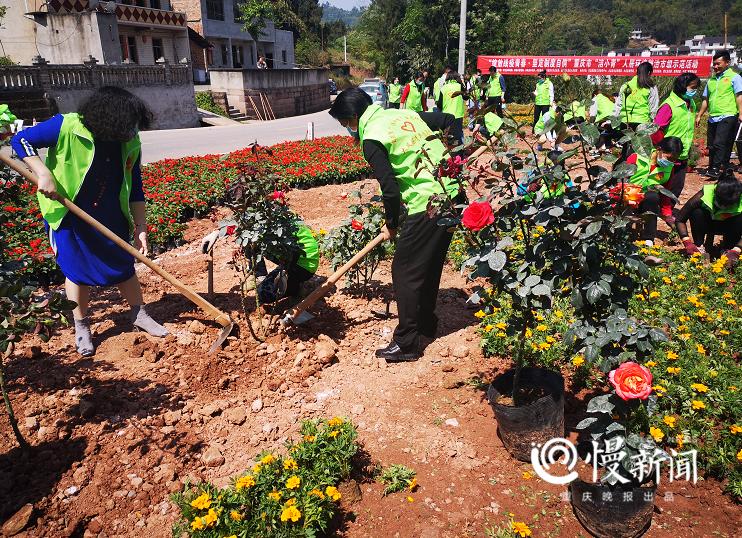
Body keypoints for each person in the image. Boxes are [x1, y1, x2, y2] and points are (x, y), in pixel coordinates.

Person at [10, 87, 168, 357]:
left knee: (122, 264)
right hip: (69, 214)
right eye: (128, 124)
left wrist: (141, 227)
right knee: (75, 271)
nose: (132, 131)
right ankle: (81, 326)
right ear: (111, 118)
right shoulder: (67, 126)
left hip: (110, 212)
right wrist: (43, 173)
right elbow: (20, 141)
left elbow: (136, 186)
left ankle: (139, 314)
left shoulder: (128, 140)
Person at [328, 88, 466, 362]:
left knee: (404, 270)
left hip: (428, 203)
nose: (347, 129)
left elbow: (390, 191)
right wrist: (454, 158)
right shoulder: (402, 113)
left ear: (355, 116)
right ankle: (426, 324)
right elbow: (449, 119)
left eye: (345, 123)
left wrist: (391, 223)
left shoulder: (371, 138)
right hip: (453, 194)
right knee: (429, 263)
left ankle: (406, 343)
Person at [650, 72, 702, 223]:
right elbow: (657, 130)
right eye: (692, 88)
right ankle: (658, 210)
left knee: (677, 186)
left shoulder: (690, 104)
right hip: (668, 153)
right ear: (682, 86)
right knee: (660, 183)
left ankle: (667, 209)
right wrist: (661, 150)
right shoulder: (668, 105)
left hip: (683, 152)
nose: (694, 91)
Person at [676, 169, 742, 266]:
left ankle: (728, 248)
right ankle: (699, 246)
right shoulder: (705, 193)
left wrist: (737, 249)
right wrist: (687, 242)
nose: (724, 207)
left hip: (730, 227)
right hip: (708, 224)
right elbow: (680, 219)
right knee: (696, 212)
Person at [626, 137, 684, 244]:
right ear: (659, 149)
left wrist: (668, 215)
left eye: (674, 160)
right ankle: (624, 234)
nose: (670, 162)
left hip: (646, 201)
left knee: (653, 197)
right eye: (669, 158)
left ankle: (648, 238)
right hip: (627, 196)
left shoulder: (668, 168)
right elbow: (621, 180)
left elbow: (665, 192)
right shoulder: (637, 157)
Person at [695, 50, 742, 178]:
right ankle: (720, 167)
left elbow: (739, 96)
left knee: (719, 142)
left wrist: (741, 113)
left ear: (727, 63)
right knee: (712, 145)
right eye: (714, 64)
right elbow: (705, 99)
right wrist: (699, 115)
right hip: (713, 117)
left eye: (718, 64)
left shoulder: (735, 78)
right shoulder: (711, 81)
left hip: (729, 114)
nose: (715, 67)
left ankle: (716, 168)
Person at [614, 61, 659, 129]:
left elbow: (618, 105)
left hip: (625, 121)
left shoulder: (625, 85)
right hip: (642, 122)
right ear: (649, 73)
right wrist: (652, 122)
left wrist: (614, 122)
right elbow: (653, 107)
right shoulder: (650, 87)